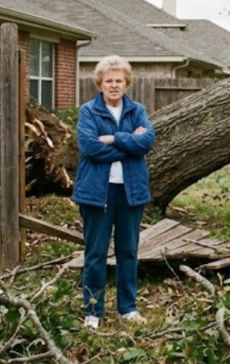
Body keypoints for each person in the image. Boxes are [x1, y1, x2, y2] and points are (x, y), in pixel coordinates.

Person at [72, 56, 155, 329]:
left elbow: (147, 141)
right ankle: (93, 311)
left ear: (127, 83)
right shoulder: (89, 111)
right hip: (97, 191)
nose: (114, 85)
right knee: (95, 253)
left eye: (119, 80)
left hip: (131, 191)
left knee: (128, 251)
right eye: (108, 81)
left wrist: (114, 138)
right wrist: (130, 145)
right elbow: (90, 147)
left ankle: (127, 308)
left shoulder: (137, 110)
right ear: (100, 84)